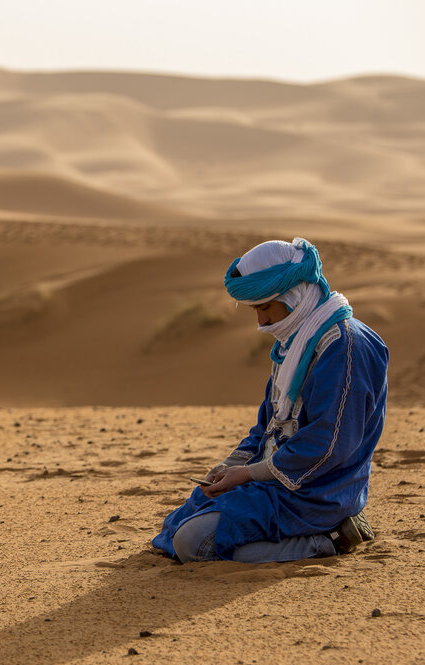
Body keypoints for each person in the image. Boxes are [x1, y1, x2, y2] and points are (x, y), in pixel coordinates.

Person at [152, 237, 388, 563]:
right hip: (274, 482)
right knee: (179, 522)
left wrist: (249, 474)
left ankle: (331, 538)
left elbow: (329, 445)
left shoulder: (345, 346)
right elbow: (269, 423)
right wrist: (232, 466)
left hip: (316, 493)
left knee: (194, 542)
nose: (261, 322)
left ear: (294, 296)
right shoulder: (294, 342)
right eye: (255, 310)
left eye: (265, 307)